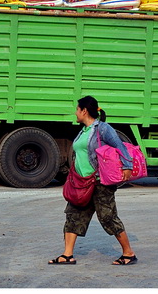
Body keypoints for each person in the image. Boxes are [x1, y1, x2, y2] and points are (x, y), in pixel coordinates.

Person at [49, 95, 138, 266]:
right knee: (73, 215)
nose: (75, 112)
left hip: (99, 182)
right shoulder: (83, 130)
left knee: (108, 217)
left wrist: (127, 166)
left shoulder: (103, 129)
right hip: (82, 182)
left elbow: (119, 146)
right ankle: (67, 255)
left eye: (77, 109)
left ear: (84, 111)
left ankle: (128, 253)